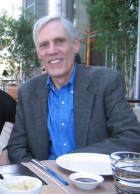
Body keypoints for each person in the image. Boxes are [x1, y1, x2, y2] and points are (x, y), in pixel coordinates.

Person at [8, 15, 140, 163]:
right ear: (39, 53)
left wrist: (71, 161)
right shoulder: (28, 92)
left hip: (94, 180)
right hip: (47, 180)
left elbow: (131, 138)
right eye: (44, 44)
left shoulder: (106, 82)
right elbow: (16, 147)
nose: (52, 51)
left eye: (59, 41)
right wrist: (42, 175)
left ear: (76, 45)